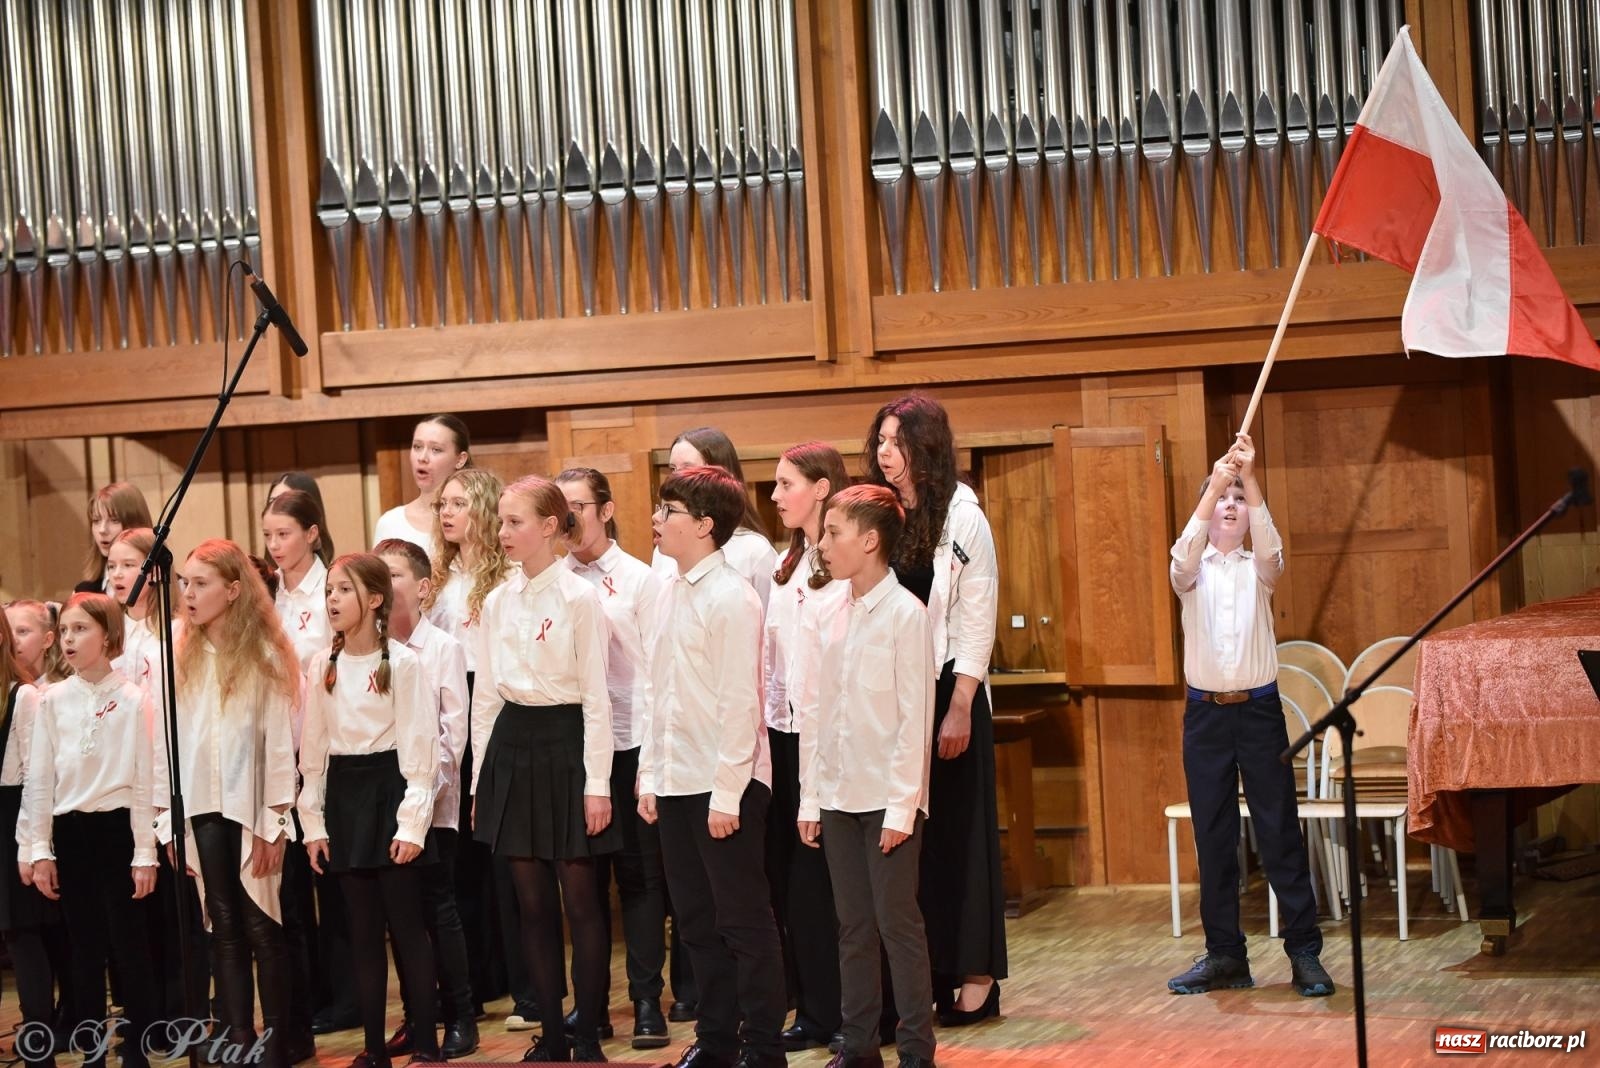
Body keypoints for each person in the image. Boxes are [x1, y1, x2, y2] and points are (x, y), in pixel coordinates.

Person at [1166, 434, 1334, 998]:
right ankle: (1224, 956)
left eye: (1239, 498)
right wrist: (1214, 481)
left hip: (1259, 712)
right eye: (1224, 498)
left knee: (1278, 831)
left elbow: (1271, 548)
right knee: (1213, 839)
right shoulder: (1192, 571)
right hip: (1206, 718)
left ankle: (1304, 954)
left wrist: (1250, 475)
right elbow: (1180, 555)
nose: (1232, 504)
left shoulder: (1259, 569)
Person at [864, 395, 1006, 1022]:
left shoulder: (963, 515)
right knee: (911, 843)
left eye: (896, 441)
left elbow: (977, 617)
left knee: (960, 838)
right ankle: (924, 977)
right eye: (880, 441)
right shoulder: (881, 513)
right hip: (897, 694)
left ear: (926, 447)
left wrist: (960, 706)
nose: (884, 453)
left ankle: (976, 977)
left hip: (951, 689)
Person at [639, 465, 786, 1068]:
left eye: (668, 510)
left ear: (704, 524)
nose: (655, 520)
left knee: (743, 921)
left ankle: (763, 1046)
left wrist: (726, 794)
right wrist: (651, 777)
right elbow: (657, 693)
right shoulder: (668, 590)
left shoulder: (732, 597)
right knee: (695, 920)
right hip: (677, 780)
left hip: (725, 786)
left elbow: (739, 703)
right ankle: (717, 1038)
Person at [471, 477, 617, 1063]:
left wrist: (599, 785)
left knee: (581, 900)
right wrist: (483, 780)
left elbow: (597, 699)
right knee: (531, 904)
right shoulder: (497, 600)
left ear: (551, 527)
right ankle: (552, 1034)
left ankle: (588, 1034)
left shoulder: (580, 599)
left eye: (515, 522)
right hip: (513, 743)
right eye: (501, 522)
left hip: (566, 743)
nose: (503, 533)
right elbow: (486, 697)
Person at [799, 484, 937, 1068]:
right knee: (852, 926)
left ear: (870, 540)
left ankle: (915, 1050)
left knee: (896, 925)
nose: (824, 545)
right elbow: (818, 715)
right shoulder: (829, 613)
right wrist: (811, 799)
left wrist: (902, 809)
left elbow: (914, 723)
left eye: (834, 533)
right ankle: (858, 1045)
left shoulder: (907, 615)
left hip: (886, 801)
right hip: (837, 794)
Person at [299, 554, 442, 1068]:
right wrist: (312, 824)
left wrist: (412, 823)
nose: (332, 599)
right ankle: (375, 1049)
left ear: (375, 599)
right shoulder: (322, 665)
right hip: (345, 798)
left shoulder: (402, 663)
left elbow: (421, 753)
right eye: (329, 590)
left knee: (407, 927)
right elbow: (312, 753)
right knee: (360, 933)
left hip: (389, 792)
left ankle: (426, 1043)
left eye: (343, 590)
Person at [168, 540, 302, 1068]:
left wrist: (274, 820)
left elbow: (275, 743)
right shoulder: (179, 652)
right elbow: (170, 743)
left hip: (252, 808)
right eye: (184, 583)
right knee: (222, 926)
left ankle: (277, 1044)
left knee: (262, 926)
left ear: (232, 589)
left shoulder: (264, 654)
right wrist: (169, 819)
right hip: (202, 804)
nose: (189, 593)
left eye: (201, 584)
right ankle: (239, 1038)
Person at [555, 468, 671, 1051]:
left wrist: (649, 767)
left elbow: (654, 677)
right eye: (563, 508)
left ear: (605, 509)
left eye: (580, 505)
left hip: (630, 742)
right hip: (574, 747)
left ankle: (648, 1000)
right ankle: (591, 1004)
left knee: (640, 877)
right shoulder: (552, 581)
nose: (572, 518)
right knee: (583, 882)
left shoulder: (640, 580)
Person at [21, 593, 160, 1068]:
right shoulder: (53, 700)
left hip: (118, 830)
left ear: (108, 634)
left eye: (81, 629)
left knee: (129, 947)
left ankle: (137, 1049)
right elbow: (39, 779)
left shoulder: (135, 699)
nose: (71, 640)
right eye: (65, 632)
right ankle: (91, 1052)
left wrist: (146, 853)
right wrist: (40, 848)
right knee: (83, 950)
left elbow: (145, 780)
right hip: (72, 833)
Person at [420, 467, 526, 1028]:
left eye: (459, 502)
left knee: (497, 854)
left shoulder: (506, 575)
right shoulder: (436, 580)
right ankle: (472, 978)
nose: (447, 511)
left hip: (494, 705)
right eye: (443, 503)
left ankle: (511, 973)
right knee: (456, 854)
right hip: (445, 704)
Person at [374, 539, 478, 1059]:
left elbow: (451, 735)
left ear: (422, 587)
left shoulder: (442, 649)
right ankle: (417, 1016)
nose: (384, 584)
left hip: (431, 806)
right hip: (381, 805)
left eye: (393, 574)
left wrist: (420, 798)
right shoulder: (366, 651)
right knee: (400, 918)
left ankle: (460, 1015)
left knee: (439, 909)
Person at [763, 444, 849, 1052]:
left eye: (785, 483)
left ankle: (863, 1012)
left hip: (837, 738)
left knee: (837, 883)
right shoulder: (785, 564)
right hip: (786, 736)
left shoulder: (843, 563)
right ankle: (816, 1009)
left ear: (821, 488)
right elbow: (773, 662)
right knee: (799, 886)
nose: (774, 496)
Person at [0, 609, 57, 1068]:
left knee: (23, 935)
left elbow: (35, 778)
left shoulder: (23, 697)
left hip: (10, 823)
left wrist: (33, 846)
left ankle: (39, 1037)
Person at [651, 428, 777, 609]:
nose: (677, 477)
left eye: (688, 468)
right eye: (673, 469)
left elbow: (766, 622)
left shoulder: (754, 550)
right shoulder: (665, 548)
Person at [374, 415, 473, 557]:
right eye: (417, 447)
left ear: (460, 459)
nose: (422, 458)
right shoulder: (390, 523)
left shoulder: (476, 519)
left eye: (436, 449)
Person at [78, 482, 154, 594]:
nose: (102, 530)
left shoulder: (169, 587)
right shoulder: (84, 592)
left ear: (136, 523)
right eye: (96, 521)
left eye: (114, 520)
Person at [267, 474, 338, 559]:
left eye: (286, 502)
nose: (275, 509)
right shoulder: (261, 570)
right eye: (272, 501)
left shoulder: (332, 572)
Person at [4, 601, 69, 689]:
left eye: (22, 631)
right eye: (6, 632)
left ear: (47, 640)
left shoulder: (63, 689)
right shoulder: (4, 687)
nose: (12, 640)